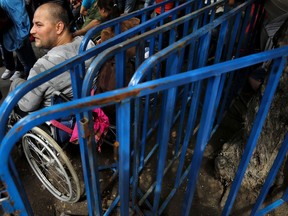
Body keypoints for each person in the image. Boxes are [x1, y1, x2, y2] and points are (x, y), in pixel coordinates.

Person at [9, 2, 95, 112]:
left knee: (16, 83)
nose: (32, 31)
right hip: (86, 106)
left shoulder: (44, 65)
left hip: (55, 119)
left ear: (59, 27)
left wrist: (17, 83)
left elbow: (26, 106)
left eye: (39, 25)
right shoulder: (87, 43)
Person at [0, 0, 37, 81]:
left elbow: (21, 14)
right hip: (12, 31)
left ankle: (30, 81)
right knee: (26, 59)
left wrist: (22, 32)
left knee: (28, 60)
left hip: (18, 31)